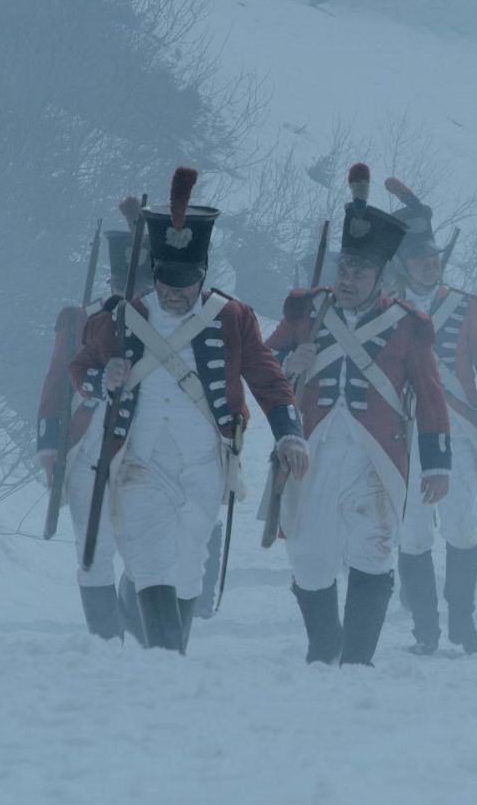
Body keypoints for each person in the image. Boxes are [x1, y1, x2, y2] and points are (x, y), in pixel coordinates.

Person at [71, 167, 307, 653]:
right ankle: (166, 665)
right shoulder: (120, 317)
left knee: (185, 569)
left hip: (204, 466)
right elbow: (81, 367)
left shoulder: (233, 318)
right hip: (139, 462)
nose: (174, 293)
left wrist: (288, 432)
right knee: (151, 561)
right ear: (154, 272)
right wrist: (104, 377)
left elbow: (266, 376)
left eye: (184, 282)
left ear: (202, 274)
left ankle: (169, 658)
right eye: (165, 281)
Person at [267, 164, 451, 667]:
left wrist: (436, 463)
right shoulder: (305, 312)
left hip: (377, 455)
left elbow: (431, 395)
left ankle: (359, 660)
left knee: (373, 548)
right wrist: (289, 362)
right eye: (343, 270)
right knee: (307, 554)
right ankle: (324, 647)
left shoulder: (408, 327)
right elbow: (262, 369)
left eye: (359, 273)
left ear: (381, 276)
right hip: (312, 450)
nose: (347, 281)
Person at [384, 177, 477, 656]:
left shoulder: (466, 308)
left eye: (433, 257)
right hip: (405, 432)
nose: (428, 264)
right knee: (413, 533)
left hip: (457, 430)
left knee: (462, 527)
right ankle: (425, 633)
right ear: (402, 264)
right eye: (418, 258)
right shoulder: (388, 312)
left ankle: (463, 626)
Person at [36, 197, 148, 642]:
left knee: (145, 551)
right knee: (92, 550)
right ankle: (106, 639)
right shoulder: (82, 318)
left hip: (148, 453)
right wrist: (51, 448)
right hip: (88, 448)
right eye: (126, 280)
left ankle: (138, 620)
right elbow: (55, 386)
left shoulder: (176, 327)